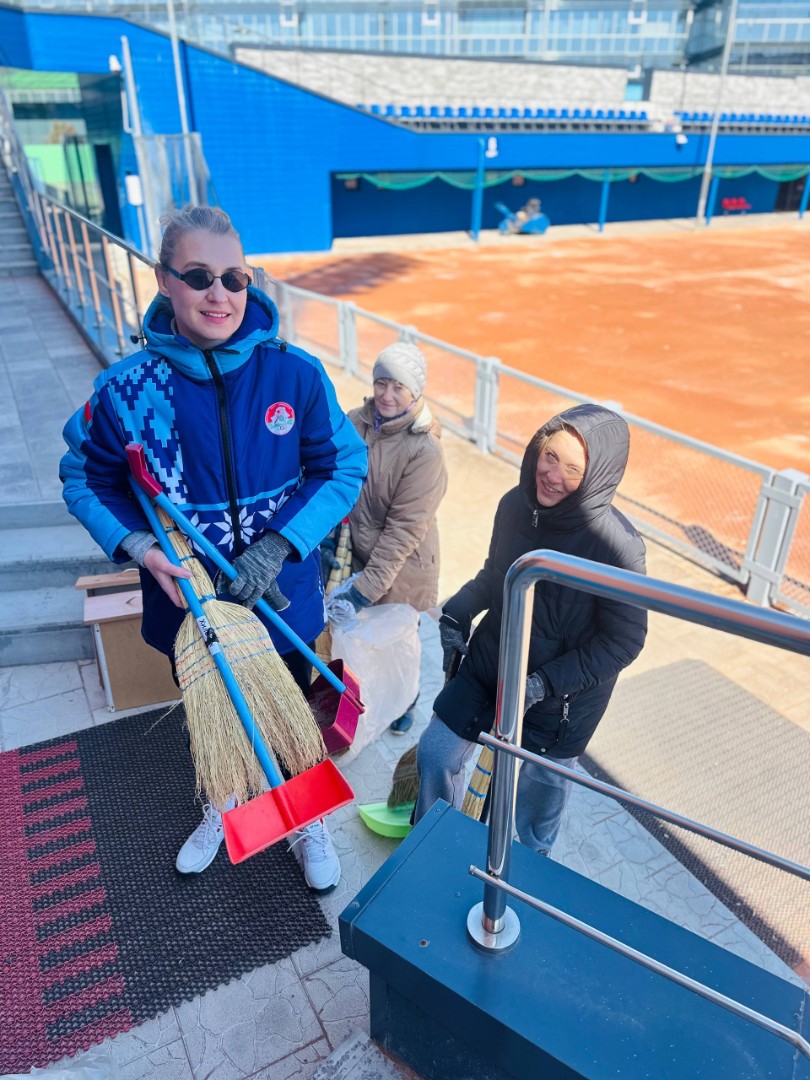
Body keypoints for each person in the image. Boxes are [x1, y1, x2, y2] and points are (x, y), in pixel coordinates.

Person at [60, 205, 367, 891]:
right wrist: (139, 545)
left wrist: (280, 544)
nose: (220, 294)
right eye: (198, 276)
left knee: (289, 710)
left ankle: (305, 818)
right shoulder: (125, 390)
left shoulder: (295, 374)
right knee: (212, 715)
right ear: (164, 279)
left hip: (280, 598)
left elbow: (343, 466)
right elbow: (84, 477)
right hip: (189, 605)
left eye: (234, 278)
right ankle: (224, 800)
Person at [414, 403, 647, 855]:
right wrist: (459, 609)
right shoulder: (514, 505)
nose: (552, 475)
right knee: (435, 753)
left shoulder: (618, 548)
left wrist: (543, 685)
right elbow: (494, 576)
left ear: (598, 477)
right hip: (492, 665)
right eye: (550, 456)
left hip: (562, 700)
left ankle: (531, 864)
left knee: (538, 802)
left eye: (573, 469)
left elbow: (624, 641)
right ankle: (433, 846)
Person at [324, 342, 448, 734]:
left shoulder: (425, 451)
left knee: (400, 639)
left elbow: (403, 531)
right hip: (360, 551)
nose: (387, 395)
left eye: (398, 387)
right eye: (381, 383)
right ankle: (378, 695)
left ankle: (407, 698)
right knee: (367, 637)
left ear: (415, 392)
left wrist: (364, 589)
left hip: (404, 565)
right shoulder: (355, 422)